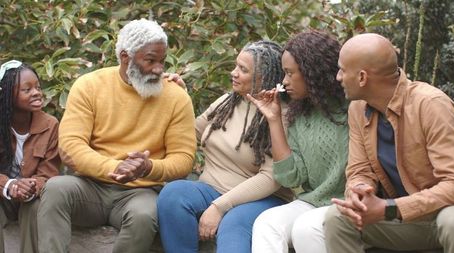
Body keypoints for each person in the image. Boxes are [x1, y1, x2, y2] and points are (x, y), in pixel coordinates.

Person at [36, 18, 196, 253]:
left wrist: (147, 167)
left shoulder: (176, 97)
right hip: (90, 187)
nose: (159, 69)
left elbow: (183, 159)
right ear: (125, 57)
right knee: (55, 189)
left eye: (162, 61)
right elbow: (70, 146)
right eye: (150, 60)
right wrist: (116, 167)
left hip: (141, 191)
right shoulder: (89, 85)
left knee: (144, 215)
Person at [323, 33, 454, 253]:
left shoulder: (431, 105)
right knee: (337, 218)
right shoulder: (358, 109)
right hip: (409, 222)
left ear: (362, 77)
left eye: (342, 70)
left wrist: (390, 208)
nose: (338, 77)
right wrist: (358, 191)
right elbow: (359, 170)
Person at [156, 40, 293, 253]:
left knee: (234, 222)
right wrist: (179, 97)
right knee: (173, 194)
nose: (234, 73)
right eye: (236, 65)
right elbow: (187, 133)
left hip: (261, 199)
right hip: (210, 190)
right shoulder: (226, 103)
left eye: (243, 69)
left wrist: (219, 207)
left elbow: (271, 178)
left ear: (263, 77)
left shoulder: (279, 115)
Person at [248, 30, 348, 253]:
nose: (284, 81)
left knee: (306, 228)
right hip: (313, 202)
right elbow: (290, 176)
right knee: (267, 223)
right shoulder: (299, 114)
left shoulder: (352, 109)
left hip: (346, 204)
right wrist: (274, 120)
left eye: (290, 73)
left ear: (313, 72)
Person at [0, 60, 60, 253]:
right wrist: (9, 186)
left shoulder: (50, 125)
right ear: (8, 96)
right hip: (3, 196)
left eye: (37, 87)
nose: (36, 92)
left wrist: (31, 187)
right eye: (27, 90)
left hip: (31, 196)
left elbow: (49, 173)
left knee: (33, 208)